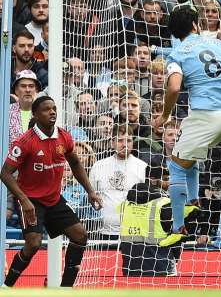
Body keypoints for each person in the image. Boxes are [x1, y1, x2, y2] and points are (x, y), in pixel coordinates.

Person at [153, 3, 221, 247]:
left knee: (176, 166)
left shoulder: (176, 54)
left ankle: (179, 228)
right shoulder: (219, 44)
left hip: (206, 114)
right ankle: (193, 201)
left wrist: (165, 115)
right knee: (186, 154)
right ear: (195, 25)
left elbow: (174, 87)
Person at [1, 96, 103, 288]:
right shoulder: (24, 142)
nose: (52, 112)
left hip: (54, 199)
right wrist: (23, 199)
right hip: (30, 199)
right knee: (33, 244)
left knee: (81, 236)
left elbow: (75, 163)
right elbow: (5, 173)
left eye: (54, 108)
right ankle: (6, 288)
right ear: (36, 115)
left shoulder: (64, 137)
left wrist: (90, 191)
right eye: (47, 110)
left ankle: (66, 289)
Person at [89, 124, 147, 240]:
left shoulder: (142, 167)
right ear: (113, 143)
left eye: (129, 140)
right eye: (120, 140)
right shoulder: (99, 166)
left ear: (133, 143)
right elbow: (91, 196)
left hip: (134, 232)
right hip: (104, 232)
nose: (125, 144)